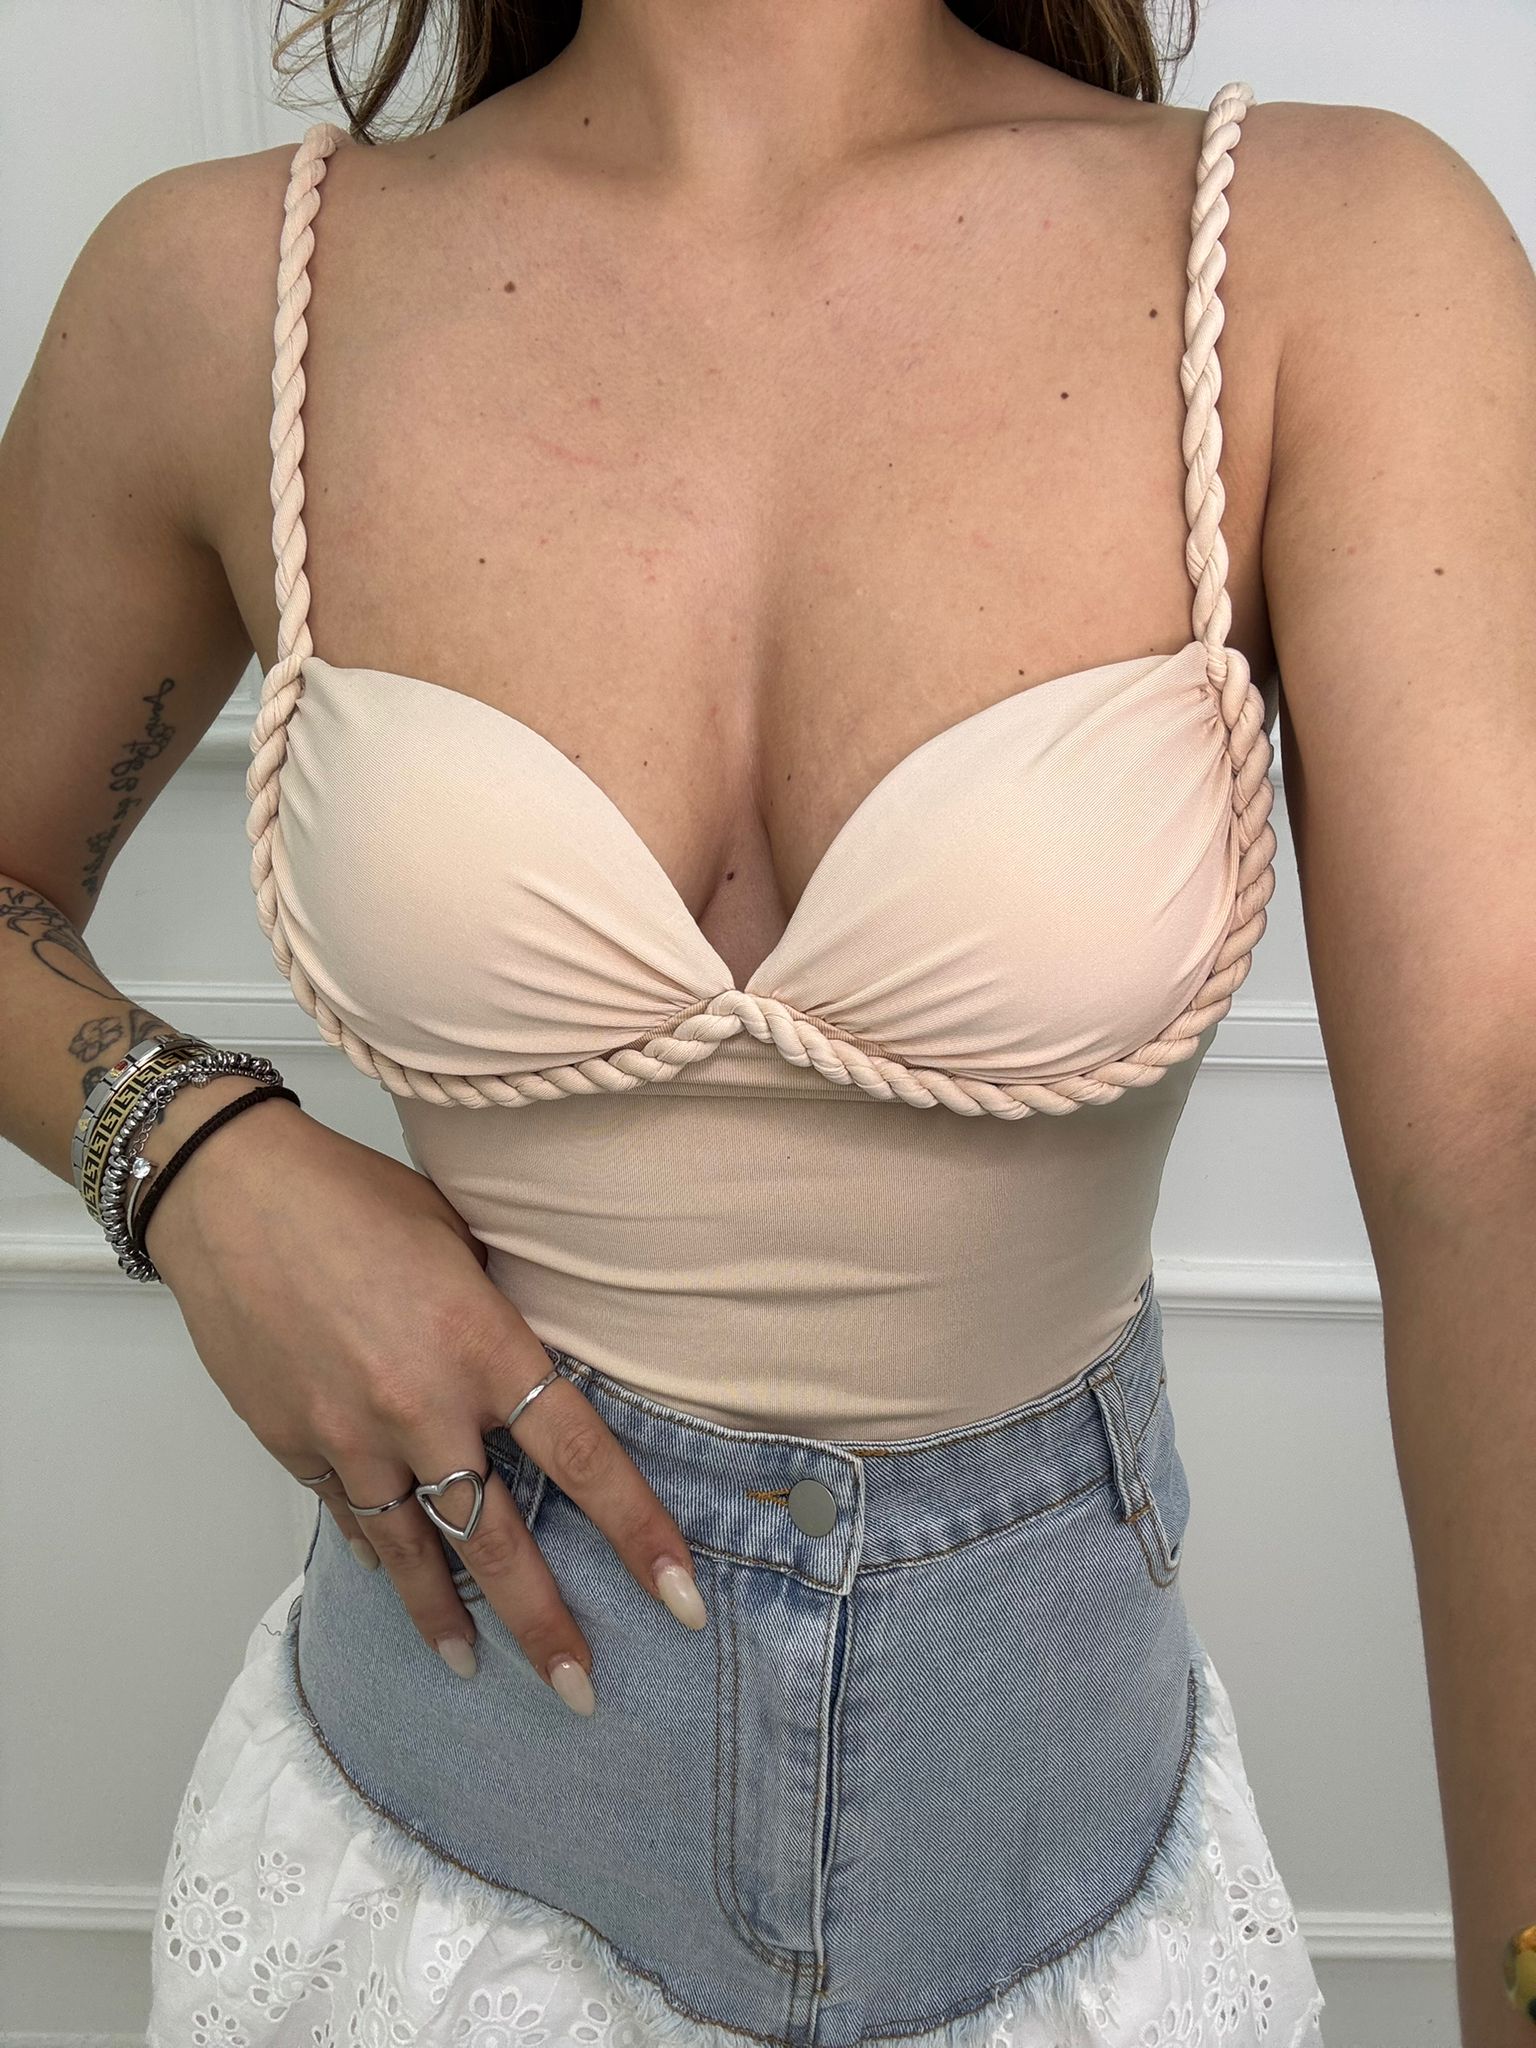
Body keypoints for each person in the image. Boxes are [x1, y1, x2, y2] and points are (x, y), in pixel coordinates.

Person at [2, 2, 1532, 2043]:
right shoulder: (218, 292)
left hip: (1063, 1913)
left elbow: (1496, 1154)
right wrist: (192, 1159)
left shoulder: (1327, 259)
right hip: (421, 1897)